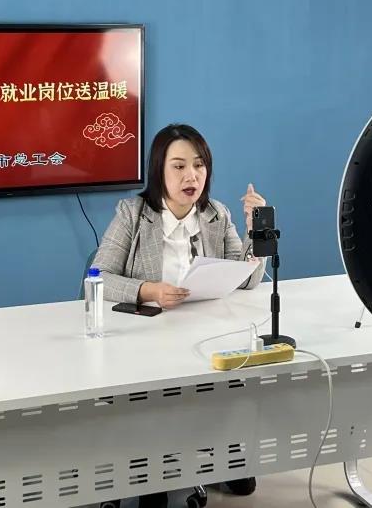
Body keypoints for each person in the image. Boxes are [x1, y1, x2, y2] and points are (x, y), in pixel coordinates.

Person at [90, 123, 267, 507]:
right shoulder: (133, 214)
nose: (192, 176)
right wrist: (149, 290)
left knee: (228, 382)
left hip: (205, 337)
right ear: (159, 170)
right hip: (145, 341)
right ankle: (150, 468)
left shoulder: (216, 214)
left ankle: (225, 452)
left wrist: (256, 230)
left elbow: (248, 279)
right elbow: (98, 276)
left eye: (199, 165)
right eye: (179, 166)